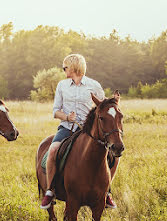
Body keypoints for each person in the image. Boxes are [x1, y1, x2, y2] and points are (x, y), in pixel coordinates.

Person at [40, 54, 121, 209]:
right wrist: (67, 117)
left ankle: (107, 191)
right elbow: (55, 111)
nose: (63, 70)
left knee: (115, 158)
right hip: (67, 128)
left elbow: (104, 108)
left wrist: (115, 101)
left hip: (89, 131)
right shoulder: (62, 86)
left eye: (65, 67)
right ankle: (50, 191)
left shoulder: (94, 85)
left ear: (74, 67)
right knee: (52, 151)